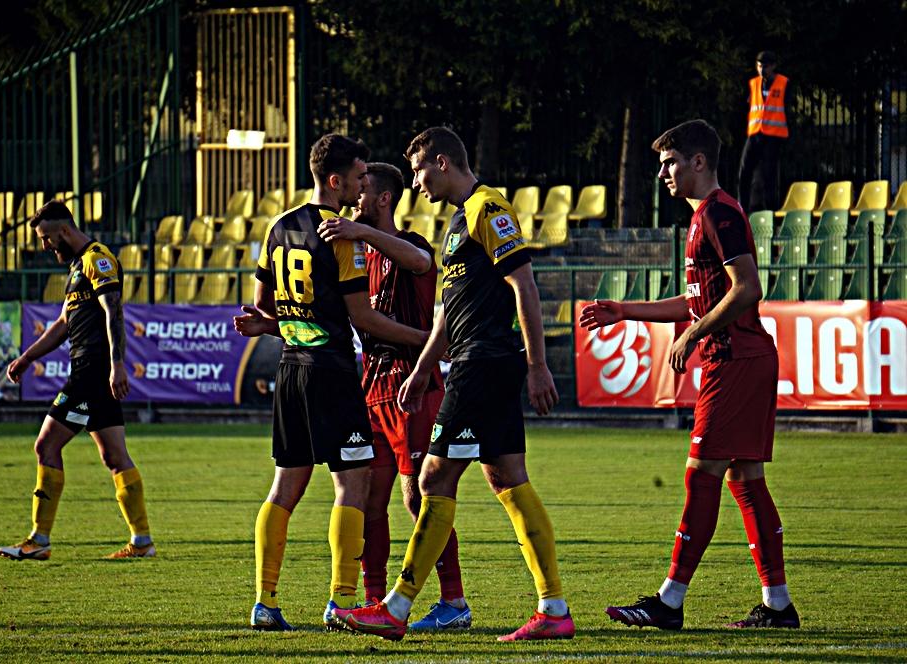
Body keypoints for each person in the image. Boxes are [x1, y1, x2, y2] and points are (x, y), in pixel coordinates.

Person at [333, 127, 573, 642]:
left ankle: (398, 607)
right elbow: (448, 312)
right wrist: (424, 368)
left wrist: (538, 365)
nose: (416, 182)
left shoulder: (488, 208)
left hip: (482, 363)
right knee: (508, 480)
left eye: (419, 170)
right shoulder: (458, 222)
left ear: (442, 162)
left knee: (432, 480)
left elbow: (524, 285)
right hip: (472, 362)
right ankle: (553, 607)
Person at [580, 119, 799, 630]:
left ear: (698, 161)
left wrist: (694, 334)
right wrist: (625, 311)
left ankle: (669, 601)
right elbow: (698, 299)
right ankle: (777, 604)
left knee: (702, 475)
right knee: (745, 481)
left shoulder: (719, 213)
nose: (663, 173)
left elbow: (747, 288)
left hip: (736, 359)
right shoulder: (705, 217)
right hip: (738, 358)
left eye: (670, 163)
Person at [233, 134, 429, 632]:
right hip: (332, 373)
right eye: (359, 177)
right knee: (353, 484)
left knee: (284, 487)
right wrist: (426, 341)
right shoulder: (340, 236)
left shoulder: (278, 227)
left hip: (290, 370)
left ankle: (265, 602)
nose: (363, 186)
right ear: (336, 180)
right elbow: (364, 318)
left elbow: (267, 310)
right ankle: (341, 600)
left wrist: (269, 325)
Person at [316, 161, 471, 631]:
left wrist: (361, 232)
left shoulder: (411, 244)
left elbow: (421, 262)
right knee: (368, 499)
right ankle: (372, 600)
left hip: (412, 385)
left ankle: (454, 601)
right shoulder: (358, 255)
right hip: (372, 386)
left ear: (383, 199)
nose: (354, 199)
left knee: (419, 498)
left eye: (363, 190)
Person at [0, 200, 154, 561]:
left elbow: (113, 312)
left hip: (91, 373)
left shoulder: (98, 259)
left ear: (64, 230)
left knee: (45, 446)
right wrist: (27, 357)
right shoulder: (75, 268)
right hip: (90, 371)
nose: (44, 245)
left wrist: (117, 365)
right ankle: (142, 541)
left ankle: (39, 539)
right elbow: (63, 324)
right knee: (115, 456)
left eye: (46, 238)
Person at [738, 50, 789, 212]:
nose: (761, 70)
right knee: (744, 172)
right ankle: (742, 209)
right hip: (755, 133)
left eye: (765, 66)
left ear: (773, 66)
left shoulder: (783, 83)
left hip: (774, 135)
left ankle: (770, 212)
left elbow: (786, 109)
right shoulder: (753, 84)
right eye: (759, 66)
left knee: (769, 175)